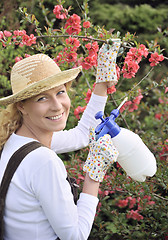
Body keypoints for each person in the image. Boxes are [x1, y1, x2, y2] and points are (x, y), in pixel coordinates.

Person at [0, 40, 121, 240]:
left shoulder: (16, 141)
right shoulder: (43, 161)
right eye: (42, 98)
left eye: (60, 92)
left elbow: (82, 135)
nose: (57, 106)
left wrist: (102, 83)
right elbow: (76, 236)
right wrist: (94, 174)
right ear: (21, 106)